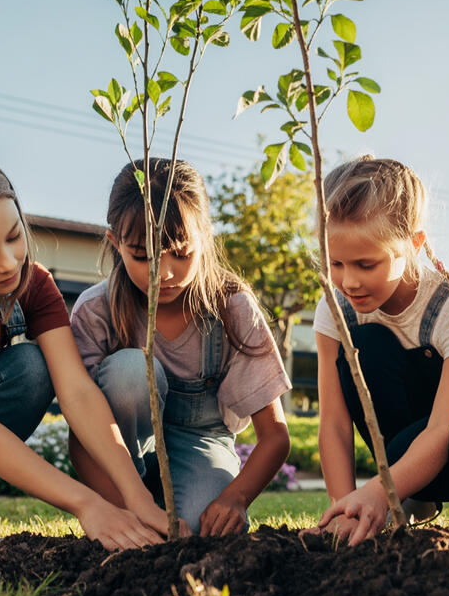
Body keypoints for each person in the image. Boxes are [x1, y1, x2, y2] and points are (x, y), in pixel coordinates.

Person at [70, 158, 291, 536]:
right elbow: (83, 441)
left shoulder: (231, 308)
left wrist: (234, 498)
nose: (165, 273)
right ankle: (142, 494)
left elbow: (274, 436)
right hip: (120, 454)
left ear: (205, 236)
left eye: (182, 252)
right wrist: (125, 511)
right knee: (130, 373)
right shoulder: (95, 312)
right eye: (142, 256)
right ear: (115, 243)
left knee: (204, 527)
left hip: (201, 440)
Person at [0, 155, 170, 551]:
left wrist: (135, 497)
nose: (8, 263)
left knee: (33, 369)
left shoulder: (32, 284)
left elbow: (77, 391)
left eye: (14, 236)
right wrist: (87, 503)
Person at [314, 157, 449, 546]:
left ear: (413, 244)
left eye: (367, 264)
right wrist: (343, 507)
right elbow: (332, 421)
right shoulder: (336, 309)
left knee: (405, 449)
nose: (349, 280)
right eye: (336, 263)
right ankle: (412, 491)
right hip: (404, 443)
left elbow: (445, 428)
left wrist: (381, 491)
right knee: (367, 347)